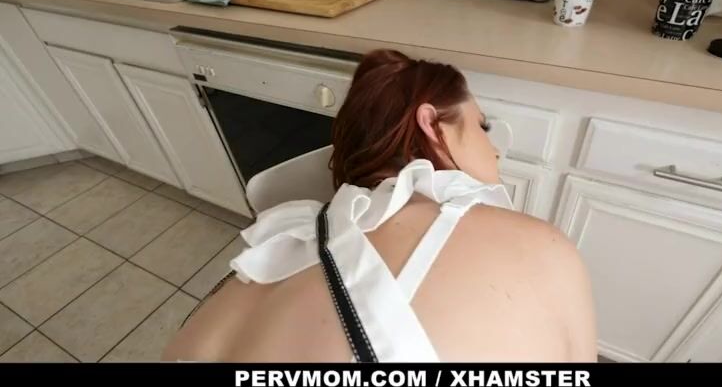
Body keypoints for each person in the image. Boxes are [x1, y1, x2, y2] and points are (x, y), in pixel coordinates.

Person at [162, 49, 597, 362]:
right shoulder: (539, 250)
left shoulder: (272, 251)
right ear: (432, 126)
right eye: (482, 126)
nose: (496, 149)